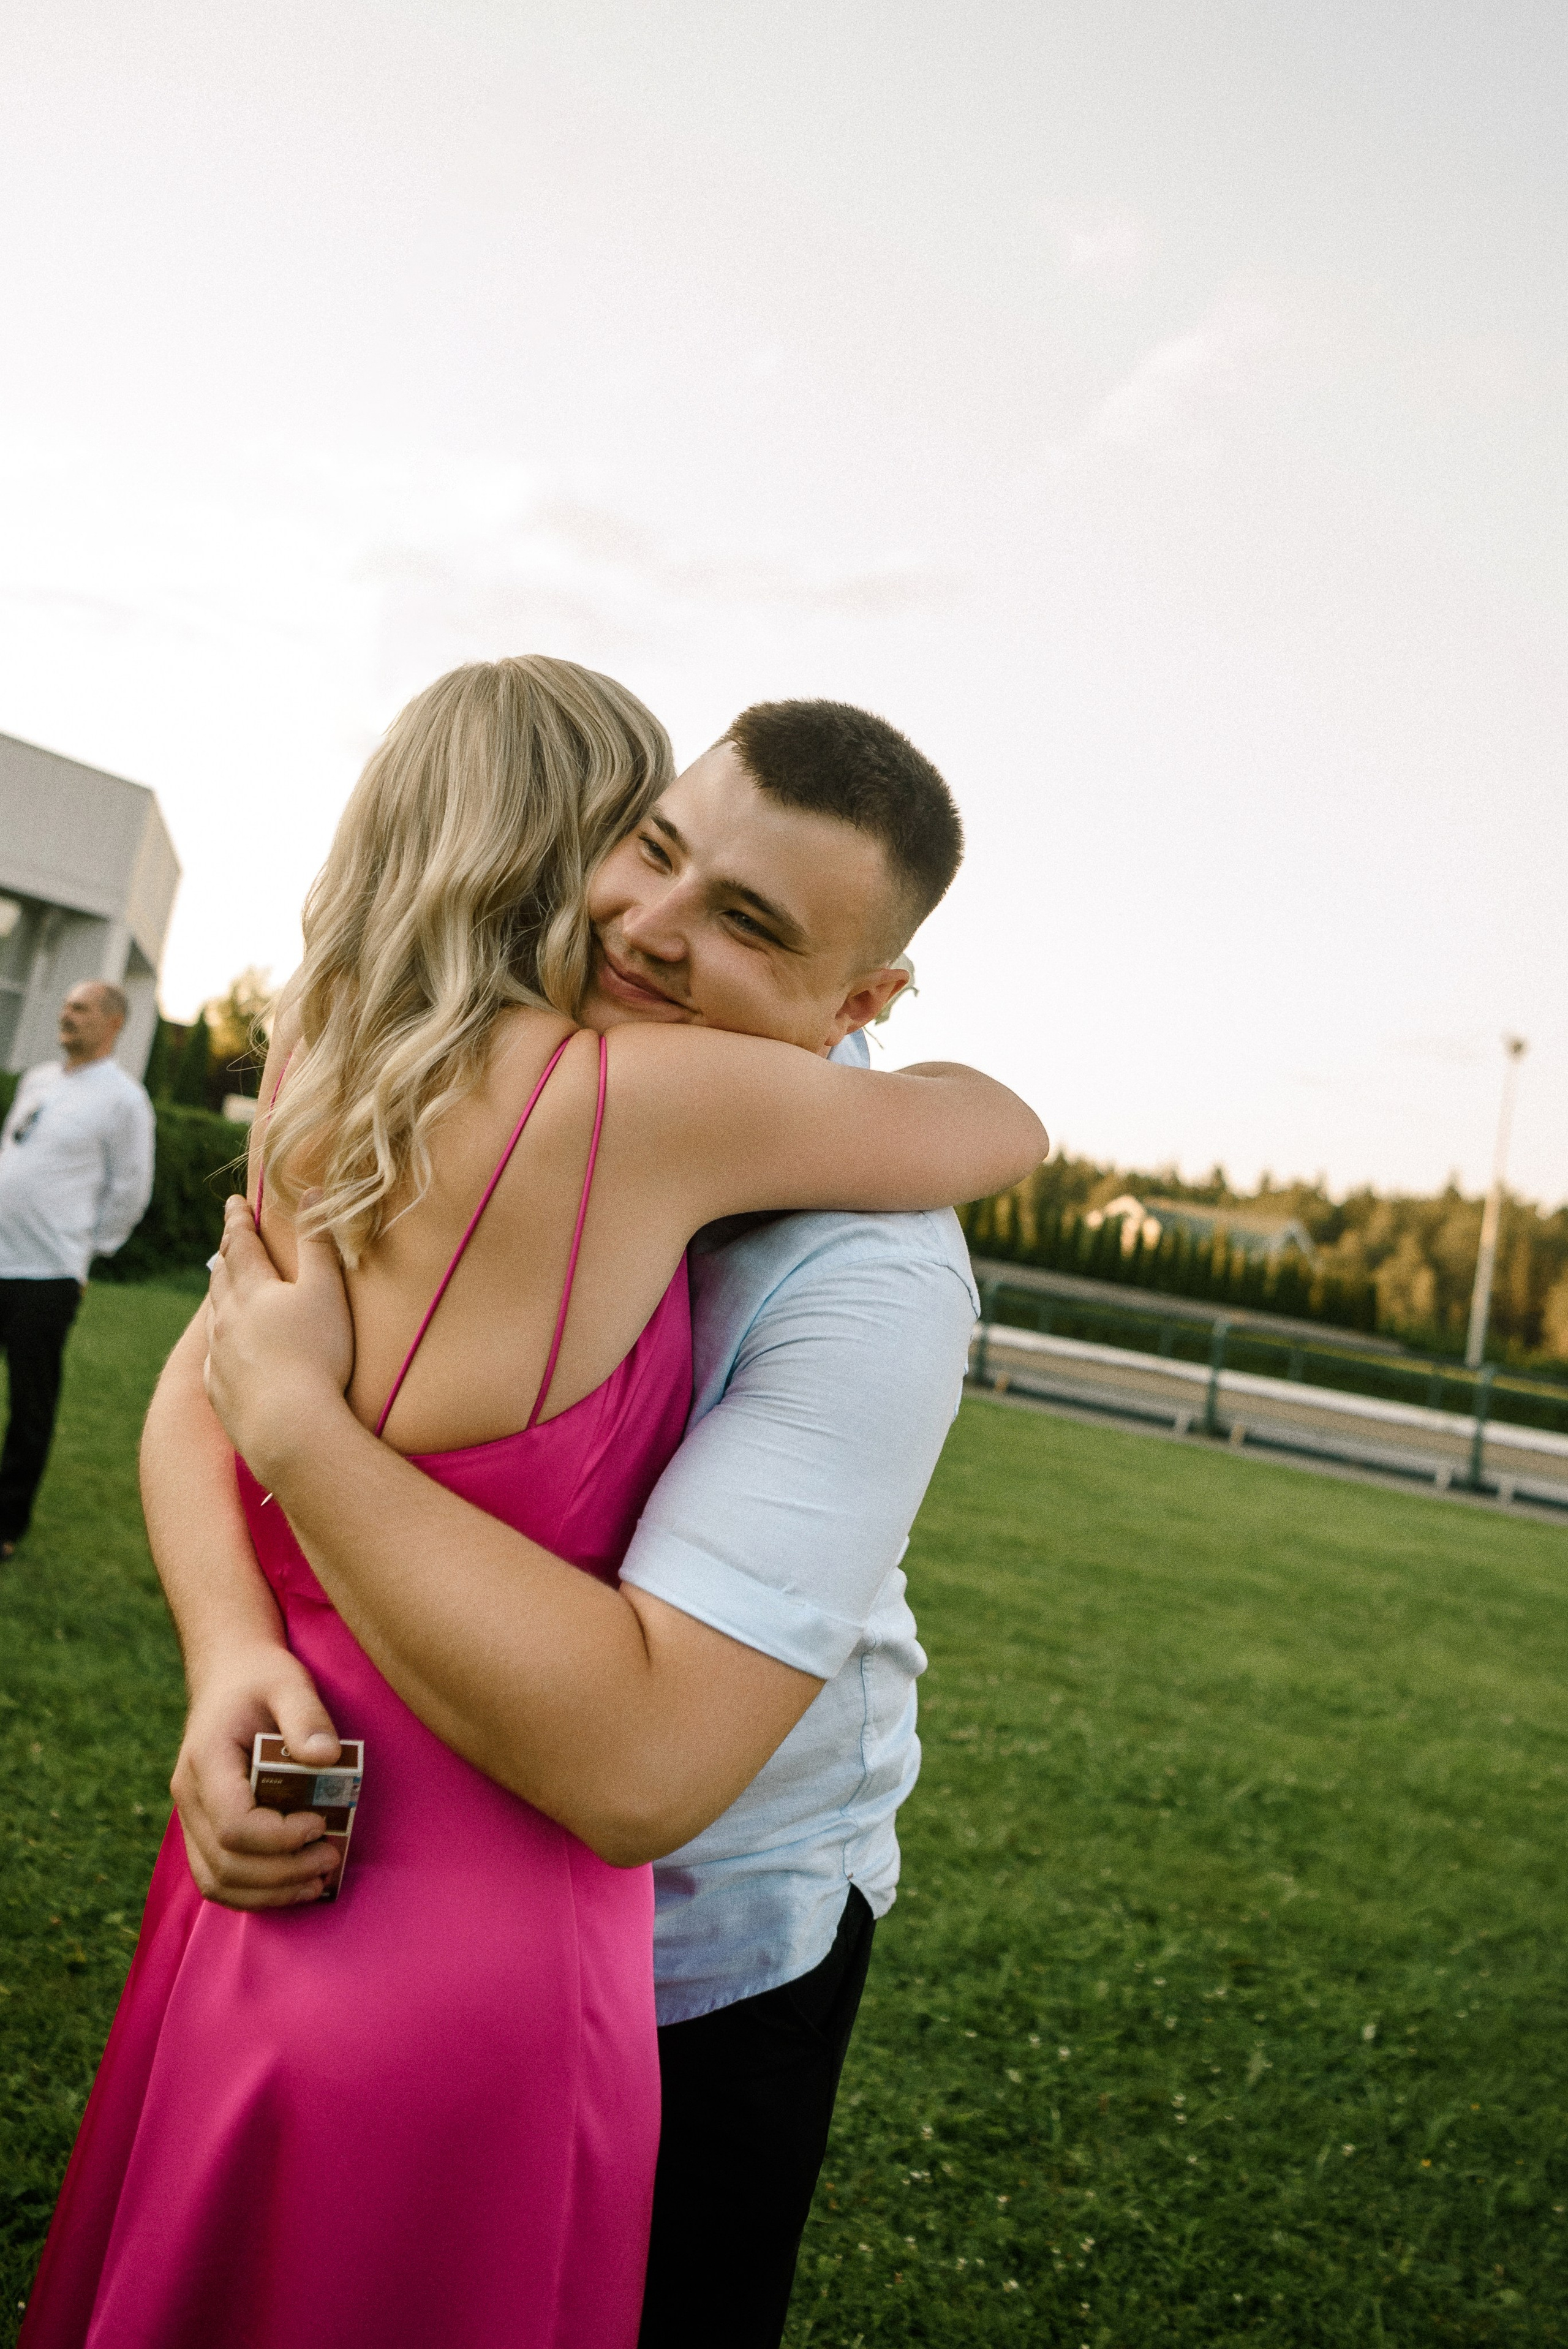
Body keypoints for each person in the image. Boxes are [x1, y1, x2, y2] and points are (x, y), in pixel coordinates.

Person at [20, 658, 1045, 2349]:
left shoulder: (865, 1268)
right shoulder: (492, 1083)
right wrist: (225, 1655)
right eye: (650, 846)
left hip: (707, 1946)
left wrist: (302, 1431)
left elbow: (642, 1770)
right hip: (373, 1873)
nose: (650, 924)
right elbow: (201, 1386)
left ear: (863, 998)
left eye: (747, 922)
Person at [0, 982, 154, 1560]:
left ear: (113, 1023)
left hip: (48, 1271)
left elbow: (131, 1190)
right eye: (66, 1005)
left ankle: (7, 1523)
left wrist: (86, 1252)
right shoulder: (39, 1079)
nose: (67, 1014)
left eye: (81, 1008)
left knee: (30, 1402)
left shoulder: (124, 1100)